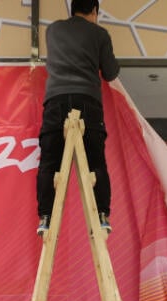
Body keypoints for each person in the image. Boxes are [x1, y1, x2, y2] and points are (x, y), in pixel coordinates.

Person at [36, 0, 119, 236]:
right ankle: (101, 216)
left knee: (49, 163)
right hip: (87, 102)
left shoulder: (53, 30)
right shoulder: (99, 33)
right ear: (94, 11)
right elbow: (111, 72)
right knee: (95, 161)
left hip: (55, 101)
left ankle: (46, 218)